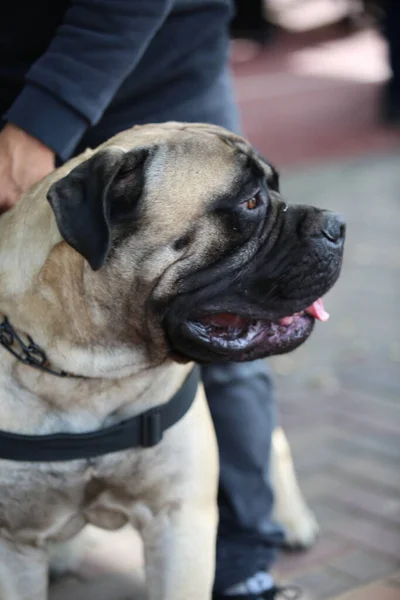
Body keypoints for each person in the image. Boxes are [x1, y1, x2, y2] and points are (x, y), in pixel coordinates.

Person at [0, 2, 304, 599]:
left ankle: (244, 563)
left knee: (225, 321)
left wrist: (45, 116)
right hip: (13, 88)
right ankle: (35, 519)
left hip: (151, 65)